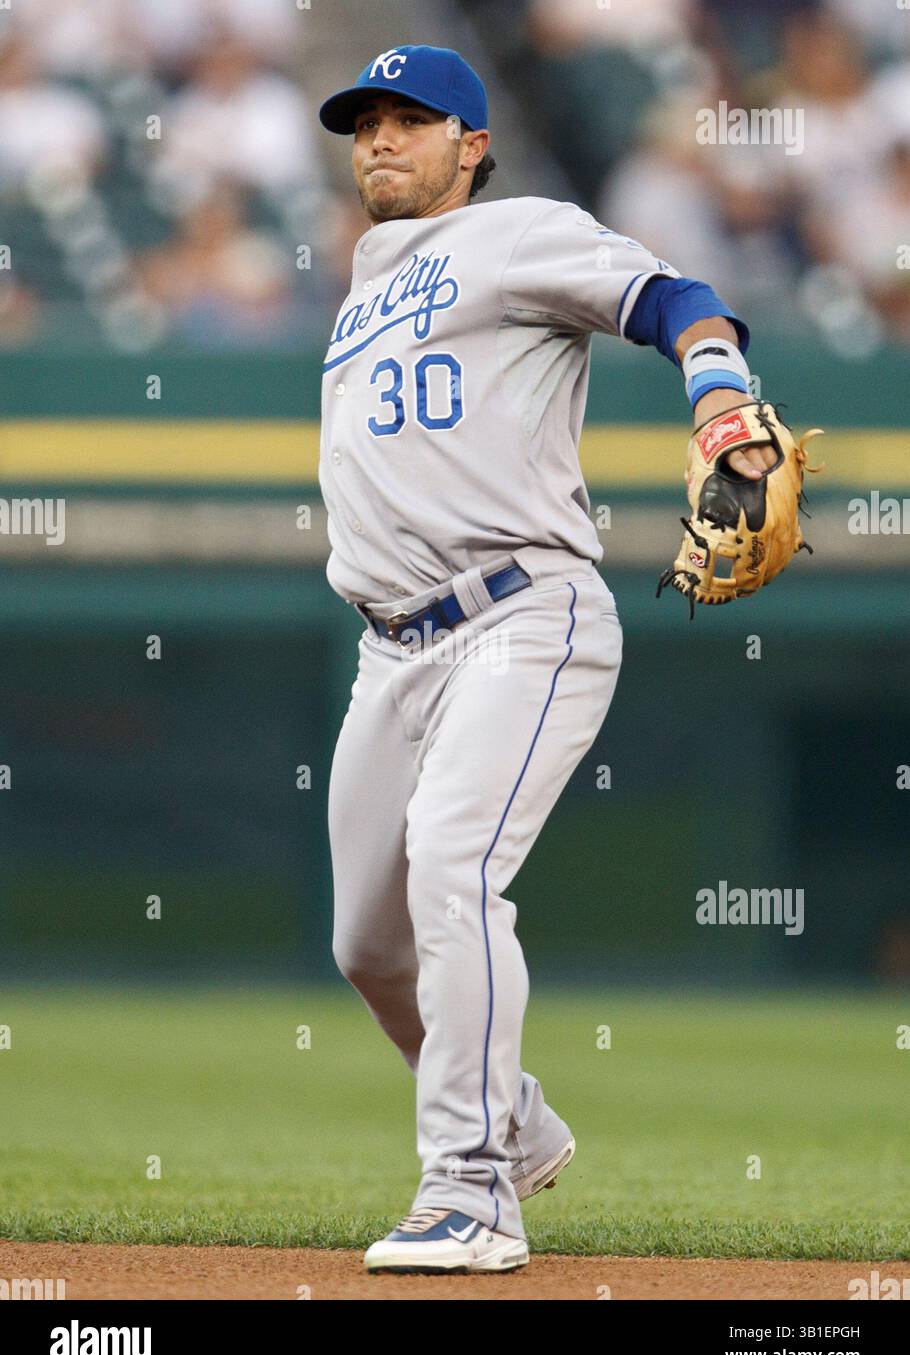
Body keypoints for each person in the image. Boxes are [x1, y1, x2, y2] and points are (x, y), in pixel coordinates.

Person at [317, 44, 773, 1275]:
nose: (379, 139)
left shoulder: (519, 231)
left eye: (411, 119)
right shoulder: (366, 277)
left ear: (473, 143)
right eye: (365, 121)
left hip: (523, 614)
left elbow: (674, 297)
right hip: (391, 647)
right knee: (367, 944)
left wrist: (720, 394)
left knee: (452, 870)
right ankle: (516, 1126)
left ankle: (468, 1192)